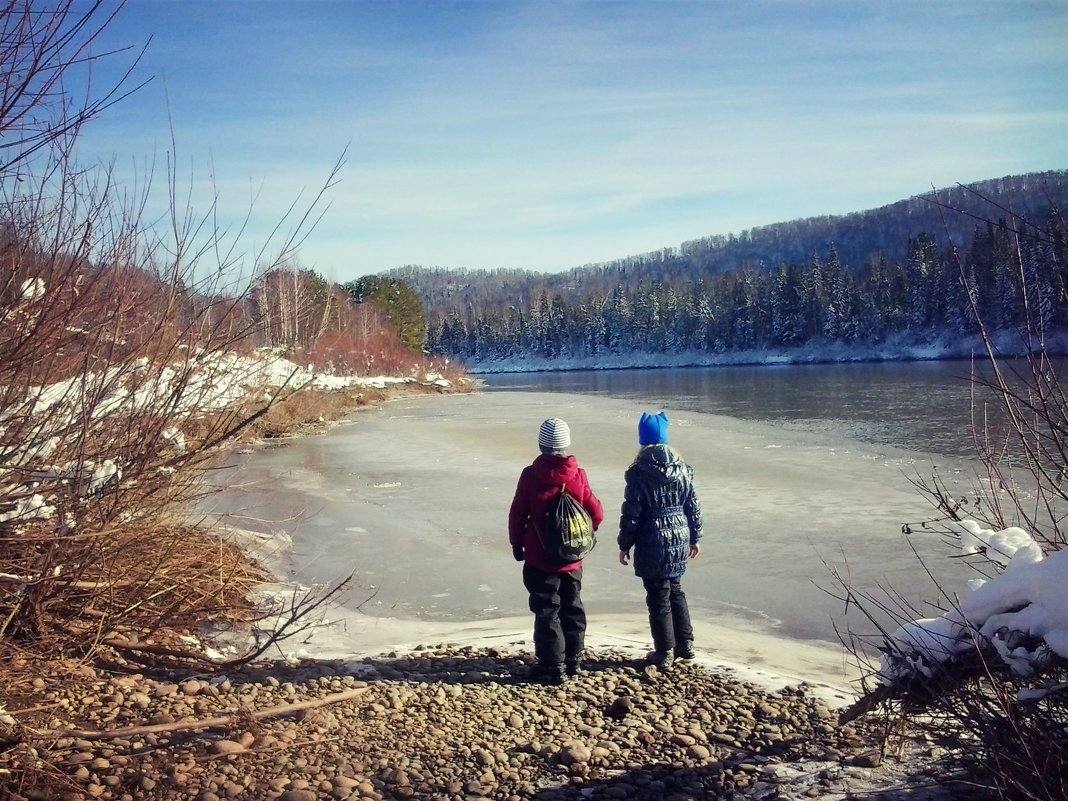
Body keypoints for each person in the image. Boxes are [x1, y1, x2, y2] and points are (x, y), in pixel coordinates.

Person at [509, 417, 604, 685]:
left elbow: (518, 513)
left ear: (541, 444)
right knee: (572, 606)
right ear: (567, 444)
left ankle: (553, 666)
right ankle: (574, 660)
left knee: (547, 610)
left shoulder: (530, 475)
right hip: (572, 559)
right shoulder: (578, 474)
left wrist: (517, 543)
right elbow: (596, 512)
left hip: (540, 559)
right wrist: (585, 533)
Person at [618, 411, 703, 669]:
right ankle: (685, 645)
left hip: (652, 536)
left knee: (658, 595)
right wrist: (695, 536)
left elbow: (632, 513)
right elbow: (693, 506)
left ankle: (664, 651)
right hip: (679, 535)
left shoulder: (638, 472)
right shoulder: (684, 470)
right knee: (675, 589)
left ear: (643, 441)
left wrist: (624, 544)